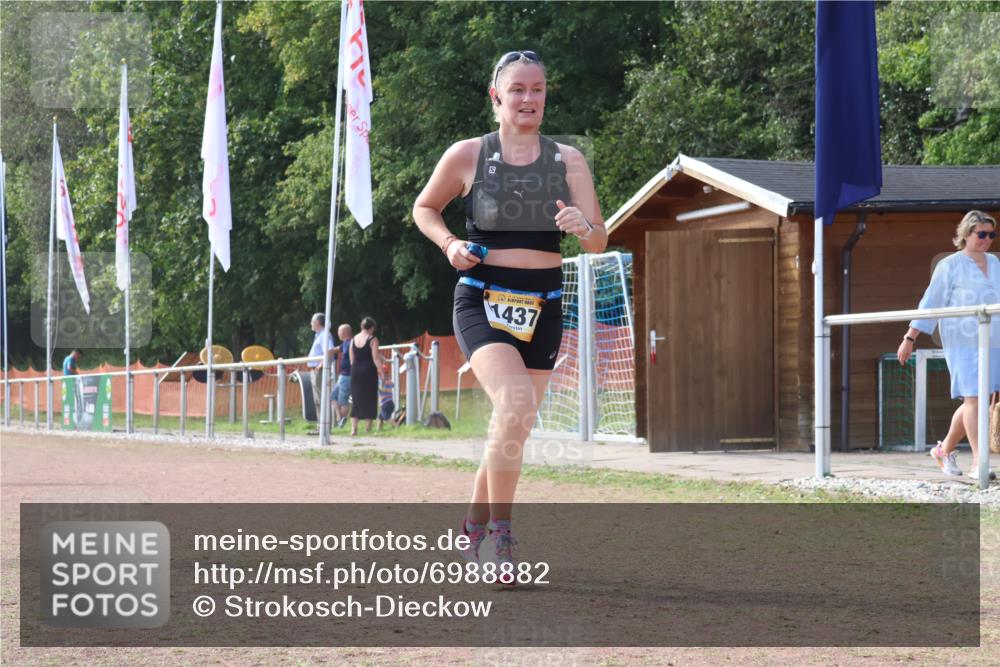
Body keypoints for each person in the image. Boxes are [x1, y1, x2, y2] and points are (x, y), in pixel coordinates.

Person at [412, 50, 606, 583]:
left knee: (511, 424)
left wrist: (580, 224)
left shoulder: (568, 160)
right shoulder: (469, 155)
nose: (529, 99)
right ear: (495, 96)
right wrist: (450, 243)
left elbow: (599, 241)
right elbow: (424, 208)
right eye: (517, 89)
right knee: (516, 404)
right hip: (482, 297)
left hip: (543, 304)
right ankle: (500, 537)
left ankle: (471, 529)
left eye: (538, 89)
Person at [898, 210, 1000, 479]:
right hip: (962, 339)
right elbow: (930, 303)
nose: (987, 239)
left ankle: (944, 450)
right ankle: (980, 463)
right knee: (974, 397)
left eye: (992, 234)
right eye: (982, 234)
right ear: (966, 234)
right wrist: (910, 338)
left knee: (979, 400)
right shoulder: (950, 265)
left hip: (992, 339)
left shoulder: (996, 263)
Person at [349, 316, 382, 436]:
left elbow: (351, 359)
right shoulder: (373, 339)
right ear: (372, 328)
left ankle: (354, 429)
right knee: (369, 398)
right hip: (369, 371)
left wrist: (355, 370)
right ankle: (367, 429)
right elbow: (376, 357)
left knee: (356, 399)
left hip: (355, 371)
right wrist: (381, 371)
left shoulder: (353, 340)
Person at [307, 313, 336, 422]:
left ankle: (325, 425)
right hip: (315, 370)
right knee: (317, 399)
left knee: (321, 398)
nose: (311, 324)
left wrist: (320, 365)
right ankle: (321, 425)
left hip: (319, 371)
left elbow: (329, 350)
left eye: (312, 321)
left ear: (318, 323)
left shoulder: (324, 335)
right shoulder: (320, 335)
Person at [331, 323, 354, 428]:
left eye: (339, 332)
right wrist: (329, 351)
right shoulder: (345, 343)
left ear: (344, 333)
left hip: (347, 375)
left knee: (343, 399)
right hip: (342, 375)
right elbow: (338, 348)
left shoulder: (351, 343)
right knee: (333, 397)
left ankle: (341, 423)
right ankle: (340, 418)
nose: (338, 335)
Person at [377, 365, 395, 431]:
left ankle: (396, 426)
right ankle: (379, 429)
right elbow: (393, 385)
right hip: (389, 402)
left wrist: (378, 388)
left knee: (386, 417)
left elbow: (383, 389)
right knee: (380, 417)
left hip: (386, 403)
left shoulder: (382, 381)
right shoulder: (389, 380)